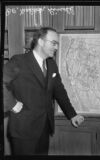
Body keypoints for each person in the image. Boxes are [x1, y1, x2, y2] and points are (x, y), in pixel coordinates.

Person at [3, 27, 85, 155]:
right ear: (41, 41)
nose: (56, 47)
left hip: (44, 129)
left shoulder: (51, 64)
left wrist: (72, 114)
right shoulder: (19, 61)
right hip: (23, 131)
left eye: (57, 44)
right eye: (54, 43)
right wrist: (12, 104)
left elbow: (59, 91)